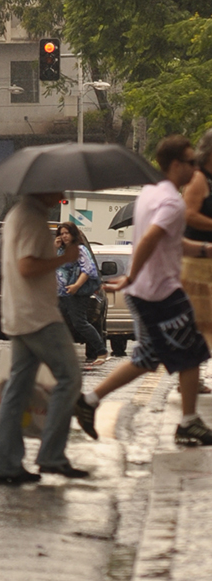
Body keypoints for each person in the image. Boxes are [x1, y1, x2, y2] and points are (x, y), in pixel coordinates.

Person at [79, 135, 212, 447]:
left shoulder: (151, 194)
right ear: (176, 165)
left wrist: (206, 250)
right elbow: (151, 238)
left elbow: (171, 241)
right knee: (191, 351)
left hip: (149, 289)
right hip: (160, 290)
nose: (196, 168)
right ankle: (189, 422)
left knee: (149, 357)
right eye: (191, 162)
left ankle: (89, 400)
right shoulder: (171, 202)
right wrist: (131, 276)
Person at [0, 188, 88, 484]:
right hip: (38, 316)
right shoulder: (31, 218)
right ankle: (51, 456)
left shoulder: (17, 214)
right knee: (69, 377)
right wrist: (64, 258)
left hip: (19, 313)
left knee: (17, 387)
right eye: (57, 187)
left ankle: (4, 462)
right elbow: (27, 266)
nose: (62, 193)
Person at [181, 126, 212, 392]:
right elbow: (189, 215)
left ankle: (193, 375)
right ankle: (191, 376)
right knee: (200, 322)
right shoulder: (199, 178)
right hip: (198, 261)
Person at [54, 222, 108, 366]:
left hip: (75, 293)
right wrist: (55, 247)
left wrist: (76, 286)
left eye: (67, 233)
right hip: (60, 293)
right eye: (61, 233)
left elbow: (88, 270)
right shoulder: (61, 250)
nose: (64, 236)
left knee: (80, 323)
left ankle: (101, 351)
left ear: (73, 234)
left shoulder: (80, 249)